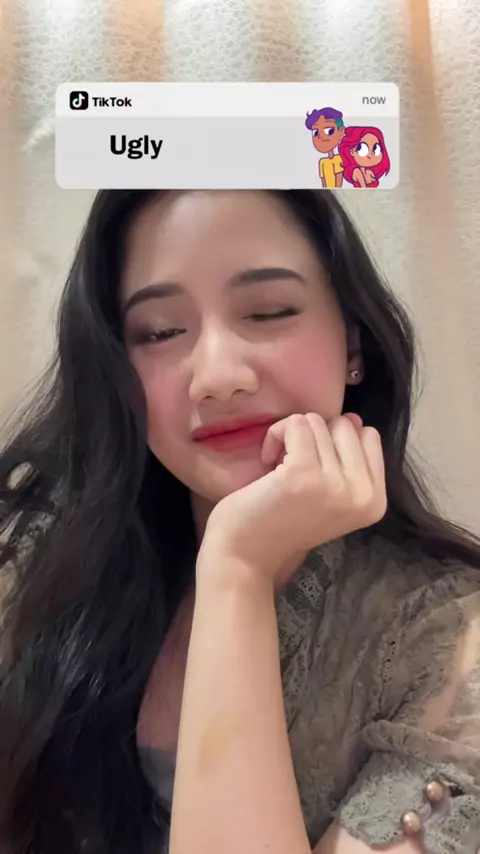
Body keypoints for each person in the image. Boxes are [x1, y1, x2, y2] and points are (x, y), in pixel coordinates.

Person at [0, 189, 479, 854]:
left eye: (268, 311)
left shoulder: (449, 638)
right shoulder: (38, 571)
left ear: (352, 343)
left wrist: (237, 567)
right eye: (159, 332)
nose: (218, 377)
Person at [305, 108, 346, 188]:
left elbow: (339, 181)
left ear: (341, 131)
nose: (321, 136)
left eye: (329, 130)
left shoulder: (338, 159)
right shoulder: (322, 162)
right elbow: (323, 181)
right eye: (316, 132)